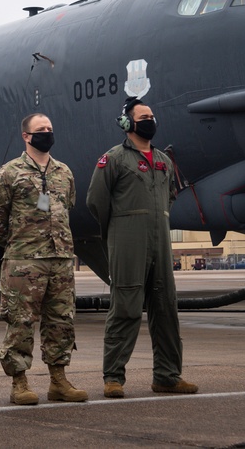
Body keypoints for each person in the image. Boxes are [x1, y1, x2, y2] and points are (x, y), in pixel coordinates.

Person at [86, 97, 198, 398]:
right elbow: (96, 200)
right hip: (127, 238)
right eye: (143, 116)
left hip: (159, 238)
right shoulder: (114, 159)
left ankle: (167, 376)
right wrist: (122, 225)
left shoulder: (163, 159)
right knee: (126, 307)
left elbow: (171, 195)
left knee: (166, 308)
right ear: (127, 123)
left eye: (152, 115)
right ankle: (113, 377)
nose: (150, 120)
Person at [0, 113, 88, 405]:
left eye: (50, 129)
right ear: (26, 136)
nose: (47, 133)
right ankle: (19, 383)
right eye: (40, 129)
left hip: (60, 258)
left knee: (61, 321)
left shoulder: (64, 172)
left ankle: (58, 381)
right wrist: (17, 243)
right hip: (24, 259)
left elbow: (68, 205)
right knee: (20, 322)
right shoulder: (9, 172)